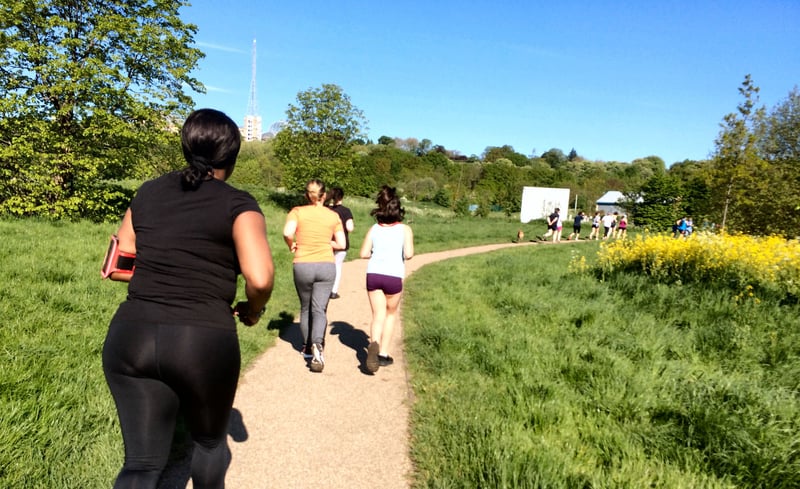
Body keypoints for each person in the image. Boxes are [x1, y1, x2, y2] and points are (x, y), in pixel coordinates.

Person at [102, 108, 275, 489]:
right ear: (232, 156)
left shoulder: (147, 192)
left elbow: (116, 264)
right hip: (201, 339)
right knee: (211, 444)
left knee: (141, 465)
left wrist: (158, 271)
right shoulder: (239, 204)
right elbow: (260, 278)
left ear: (185, 146)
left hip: (131, 335)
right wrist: (253, 310)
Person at [283, 179, 346, 373]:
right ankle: (319, 344)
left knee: (305, 307)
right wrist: (328, 244)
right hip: (326, 266)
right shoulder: (333, 215)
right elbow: (342, 244)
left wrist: (291, 244)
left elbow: (287, 232)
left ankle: (308, 347)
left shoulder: (297, 212)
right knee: (319, 310)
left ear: (306, 195)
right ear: (324, 195)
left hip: (303, 264)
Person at [360, 186, 414, 373]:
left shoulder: (374, 229)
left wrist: (377, 253)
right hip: (393, 276)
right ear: (398, 210)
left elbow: (363, 253)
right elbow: (409, 254)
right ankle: (383, 353)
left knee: (377, 315)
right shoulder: (405, 229)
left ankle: (373, 344)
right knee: (390, 314)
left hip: (374, 274)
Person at [327, 187, 354, 300]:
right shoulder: (346, 211)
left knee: (326, 267)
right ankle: (333, 291)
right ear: (342, 197)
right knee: (337, 267)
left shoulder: (326, 209)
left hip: (327, 242)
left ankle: (323, 290)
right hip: (341, 244)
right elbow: (350, 227)